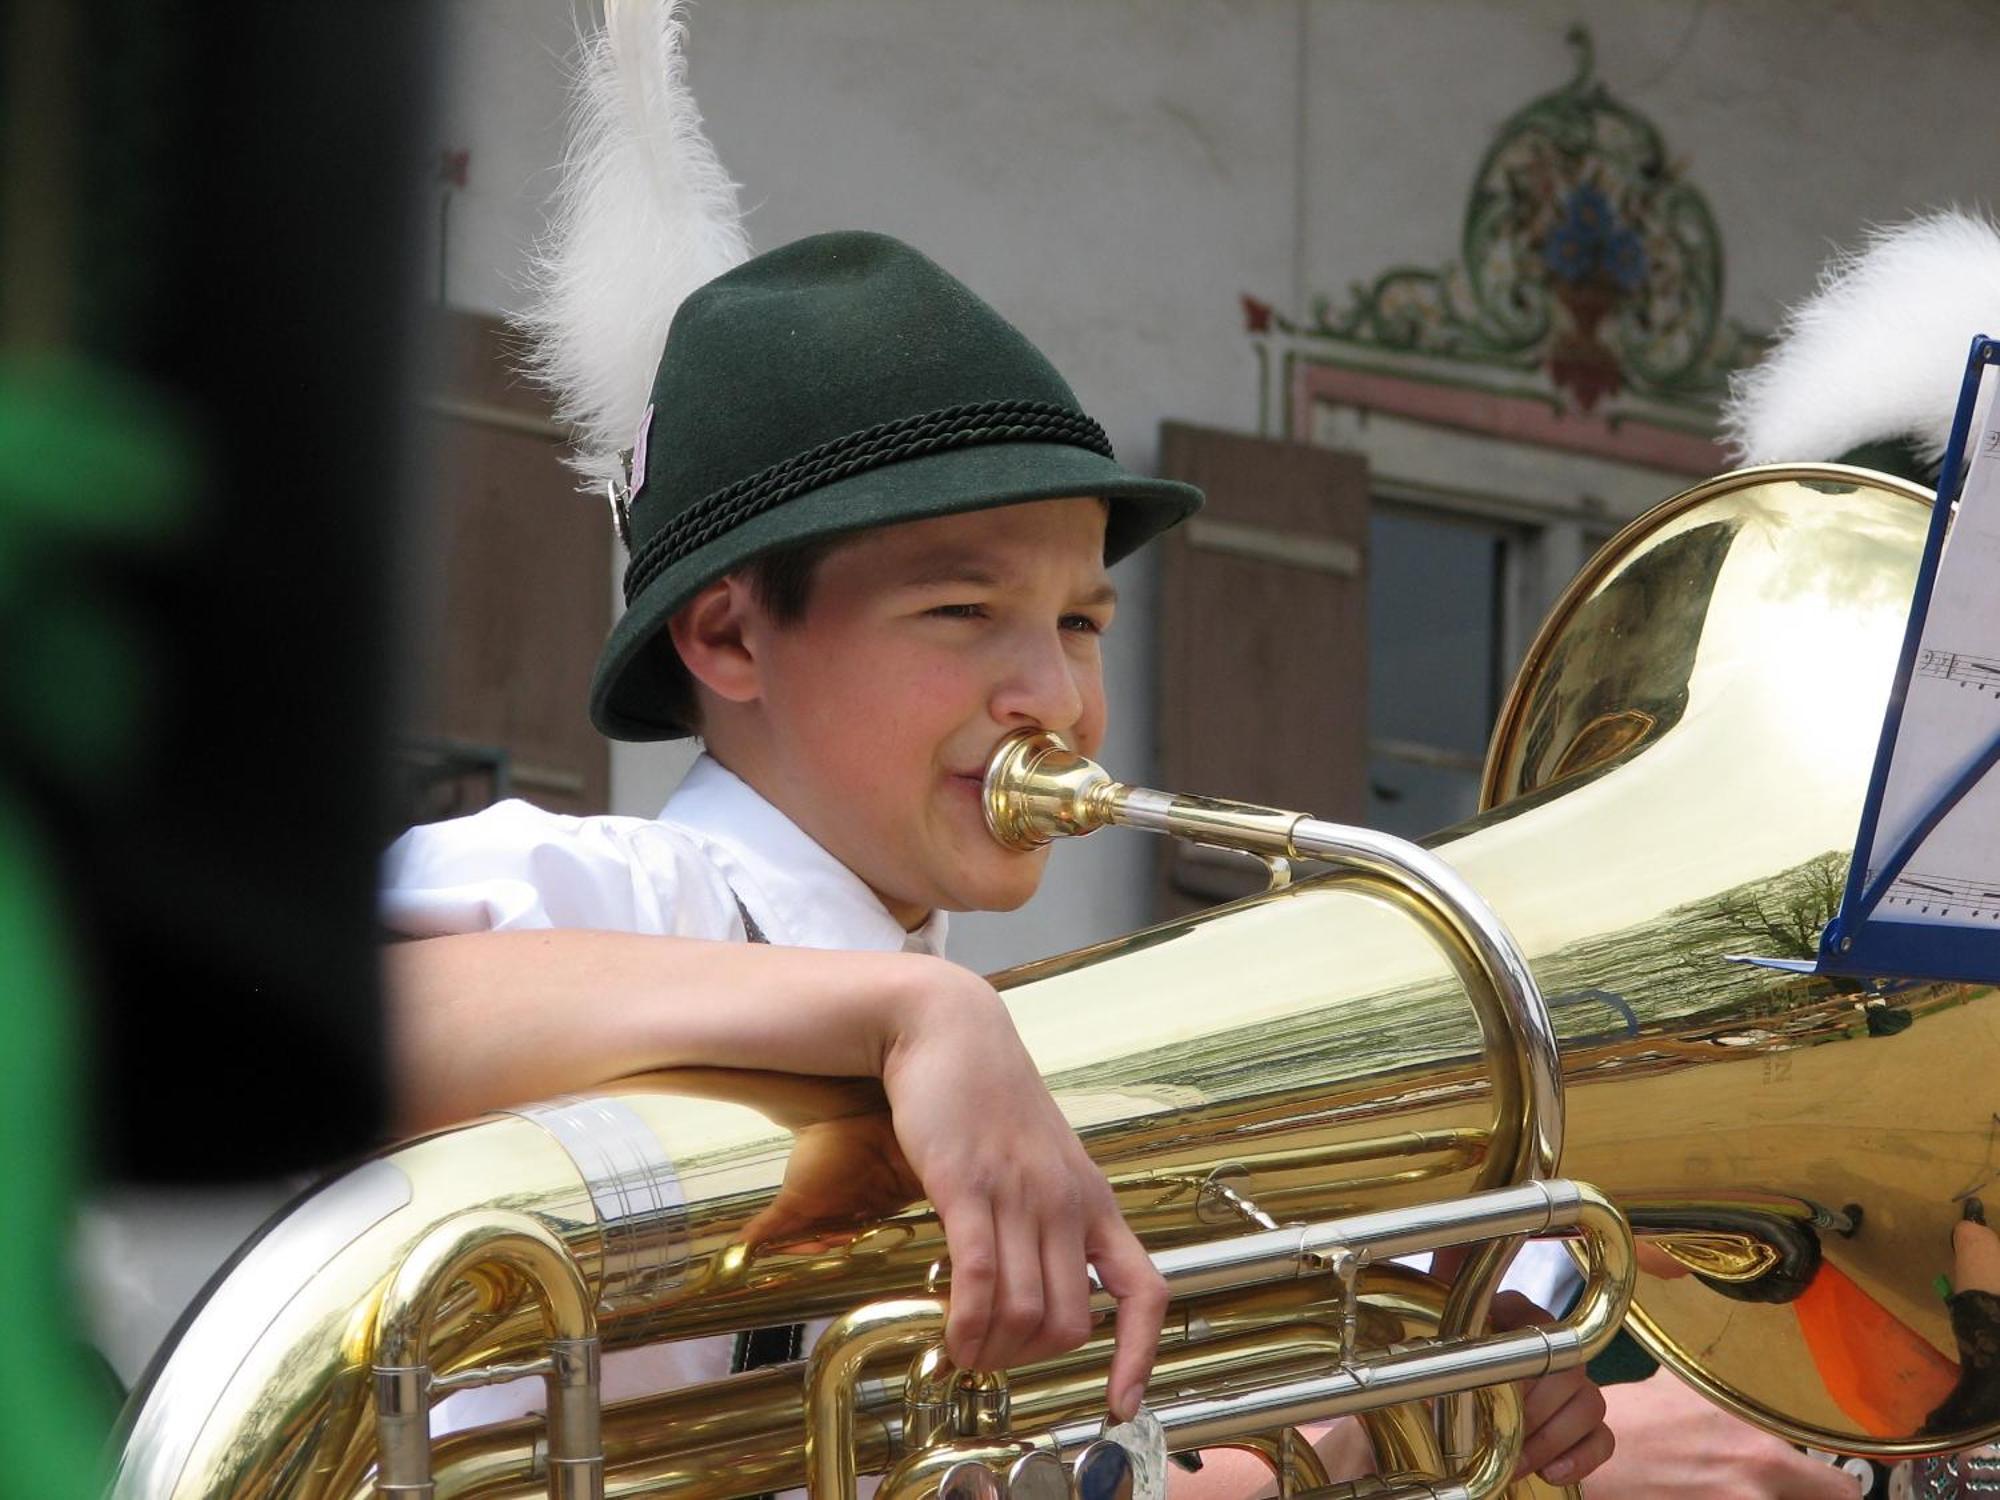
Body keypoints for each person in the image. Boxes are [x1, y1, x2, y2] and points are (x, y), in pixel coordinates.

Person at [381, 228, 1613, 1487]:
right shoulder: (621, 893)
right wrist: (905, 1013)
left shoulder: (994, 1066)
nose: (1054, 696)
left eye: (1079, 621)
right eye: (962, 612)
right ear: (728, 639)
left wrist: (1377, 1429)